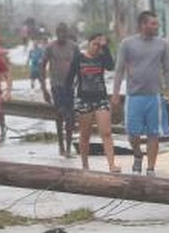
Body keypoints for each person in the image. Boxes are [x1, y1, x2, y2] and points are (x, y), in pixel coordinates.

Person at [112, 10, 169, 176]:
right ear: (143, 25)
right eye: (153, 23)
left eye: (156, 23)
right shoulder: (127, 44)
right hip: (134, 96)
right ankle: (137, 154)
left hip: (154, 96)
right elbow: (119, 70)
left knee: (154, 133)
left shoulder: (162, 44)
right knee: (133, 133)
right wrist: (116, 93)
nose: (156, 26)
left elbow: (167, 69)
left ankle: (151, 167)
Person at [67, 31, 120, 173]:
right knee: (85, 135)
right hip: (84, 100)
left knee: (106, 132)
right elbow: (69, 78)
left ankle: (112, 165)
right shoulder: (79, 58)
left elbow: (111, 66)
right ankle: (85, 165)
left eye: (99, 45)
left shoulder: (102, 57)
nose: (97, 48)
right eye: (94, 44)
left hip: (101, 99)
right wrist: (68, 99)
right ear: (88, 43)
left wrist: (106, 47)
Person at [40, 23, 80, 157]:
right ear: (56, 33)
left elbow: (80, 65)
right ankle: (61, 146)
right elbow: (42, 66)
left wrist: (79, 83)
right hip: (56, 85)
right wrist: (44, 89)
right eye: (59, 33)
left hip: (70, 86)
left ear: (67, 33)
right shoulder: (50, 47)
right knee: (61, 115)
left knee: (70, 118)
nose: (62, 35)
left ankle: (68, 147)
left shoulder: (74, 47)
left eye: (64, 32)